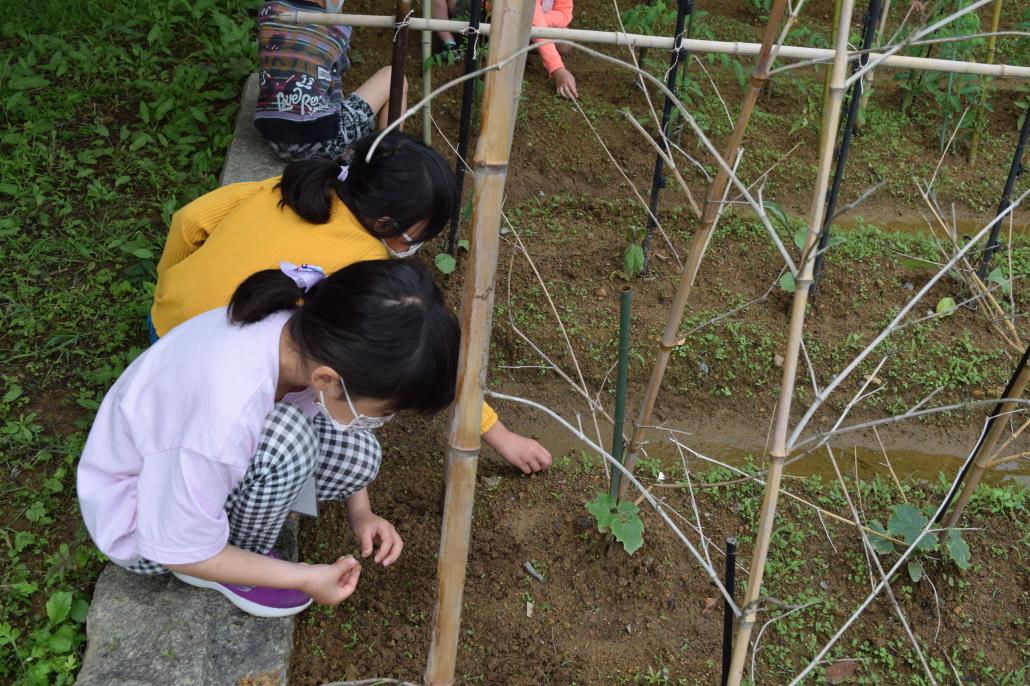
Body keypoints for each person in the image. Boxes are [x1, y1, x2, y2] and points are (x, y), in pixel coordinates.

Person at [152, 131, 552, 474]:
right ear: (384, 224)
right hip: (209, 380)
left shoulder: (290, 188)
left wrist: (168, 292)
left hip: (164, 326)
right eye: (421, 232)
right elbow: (413, 348)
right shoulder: (362, 262)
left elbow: (188, 221)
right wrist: (497, 434)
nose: (421, 243)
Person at [78, 260, 459, 617]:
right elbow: (179, 548)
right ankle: (236, 567)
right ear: (327, 379)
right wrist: (303, 576)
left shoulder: (309, 336)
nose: (382, 420)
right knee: (287, 443)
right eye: (382, 411)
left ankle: (251, 513)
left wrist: (361, 512)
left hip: (188, 466)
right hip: (148, 526)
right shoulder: (225, 411)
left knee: (359, 456)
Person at [256, 0, 408, 160]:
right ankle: (386, 160)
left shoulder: (268, 10)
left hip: (273, 136)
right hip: (320, 139)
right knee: (394, 77)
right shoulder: (339, 27)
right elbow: (337, 72)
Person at [431, 0, 577, 100]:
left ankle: (510, 47)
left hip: (513, 22)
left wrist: (538, 22)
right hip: (481, 11)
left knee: (565, 42)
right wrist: (558, 69)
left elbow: (565, 13)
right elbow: (534, 15)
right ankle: (448, 41)